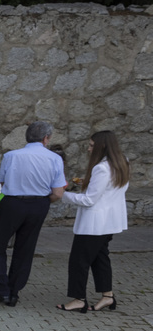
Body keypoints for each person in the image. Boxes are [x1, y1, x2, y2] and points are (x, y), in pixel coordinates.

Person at [0, 121, 67, 307]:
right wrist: (43, 201)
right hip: (39, 204)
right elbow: (58, 192)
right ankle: (14, 292)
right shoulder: (55, 158)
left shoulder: (11, 155)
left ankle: (1, 290)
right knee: (25, 249)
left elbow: (3, 183)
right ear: (46, 138)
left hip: (13, 202)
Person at [57, 131, 130, 313]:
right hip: (111, 220)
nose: (89, 149)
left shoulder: (101, 168)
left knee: (79, 261)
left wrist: (63, 195)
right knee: (100, 258)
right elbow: (111, 189)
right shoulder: (123, 161)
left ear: (102, 146)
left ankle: (79, 299)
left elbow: (89, 200)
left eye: (91, 145)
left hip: (95, 223)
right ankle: (107, 296)